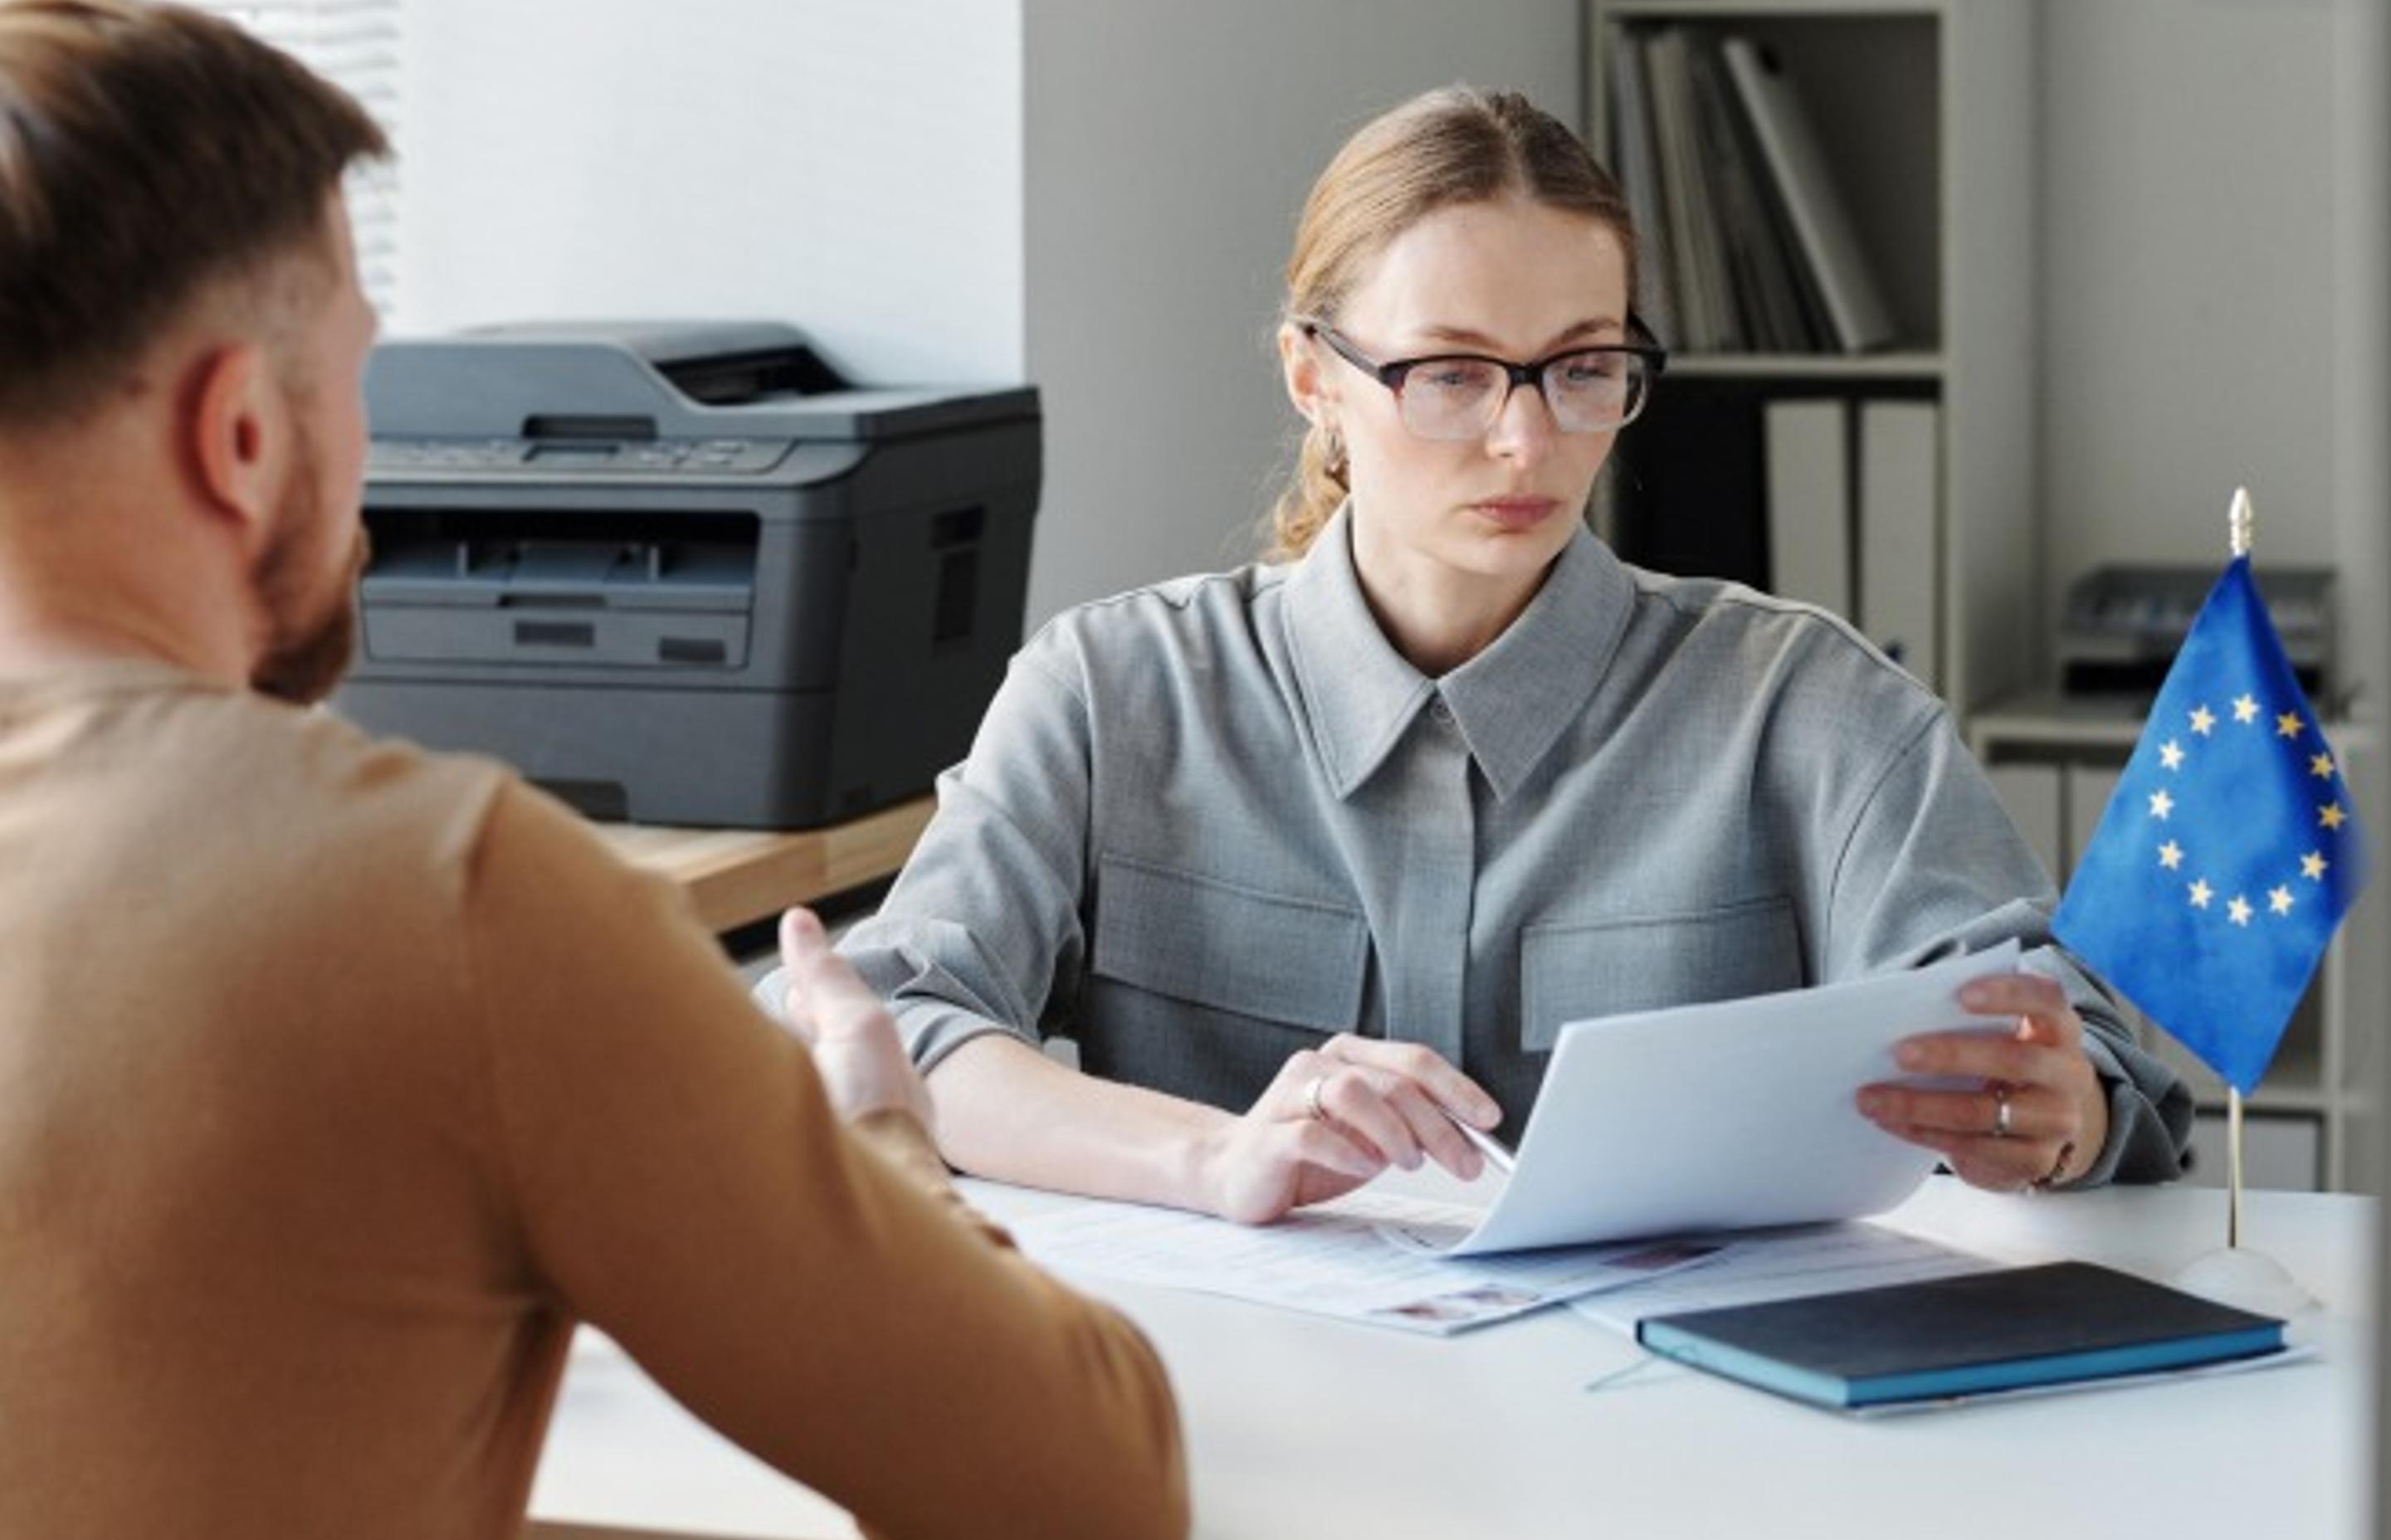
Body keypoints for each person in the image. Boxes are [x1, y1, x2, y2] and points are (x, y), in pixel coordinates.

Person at [0, 0, 1185, 1540]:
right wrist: (883, 1143)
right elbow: (1085, 1493)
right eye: (352, 374)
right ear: (242, 432)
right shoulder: (451, 899)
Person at [802, 86, 2190, 1226]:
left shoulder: (1810, 710)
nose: (1529, 444)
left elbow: (2076, 1050)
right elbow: (904, 1023)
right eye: (1453, 374)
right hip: (1255, 1430)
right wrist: (1214, 1156)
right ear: (1315, 377)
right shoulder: (1113, 694)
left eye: (1582, 368)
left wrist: (2058, 1118)